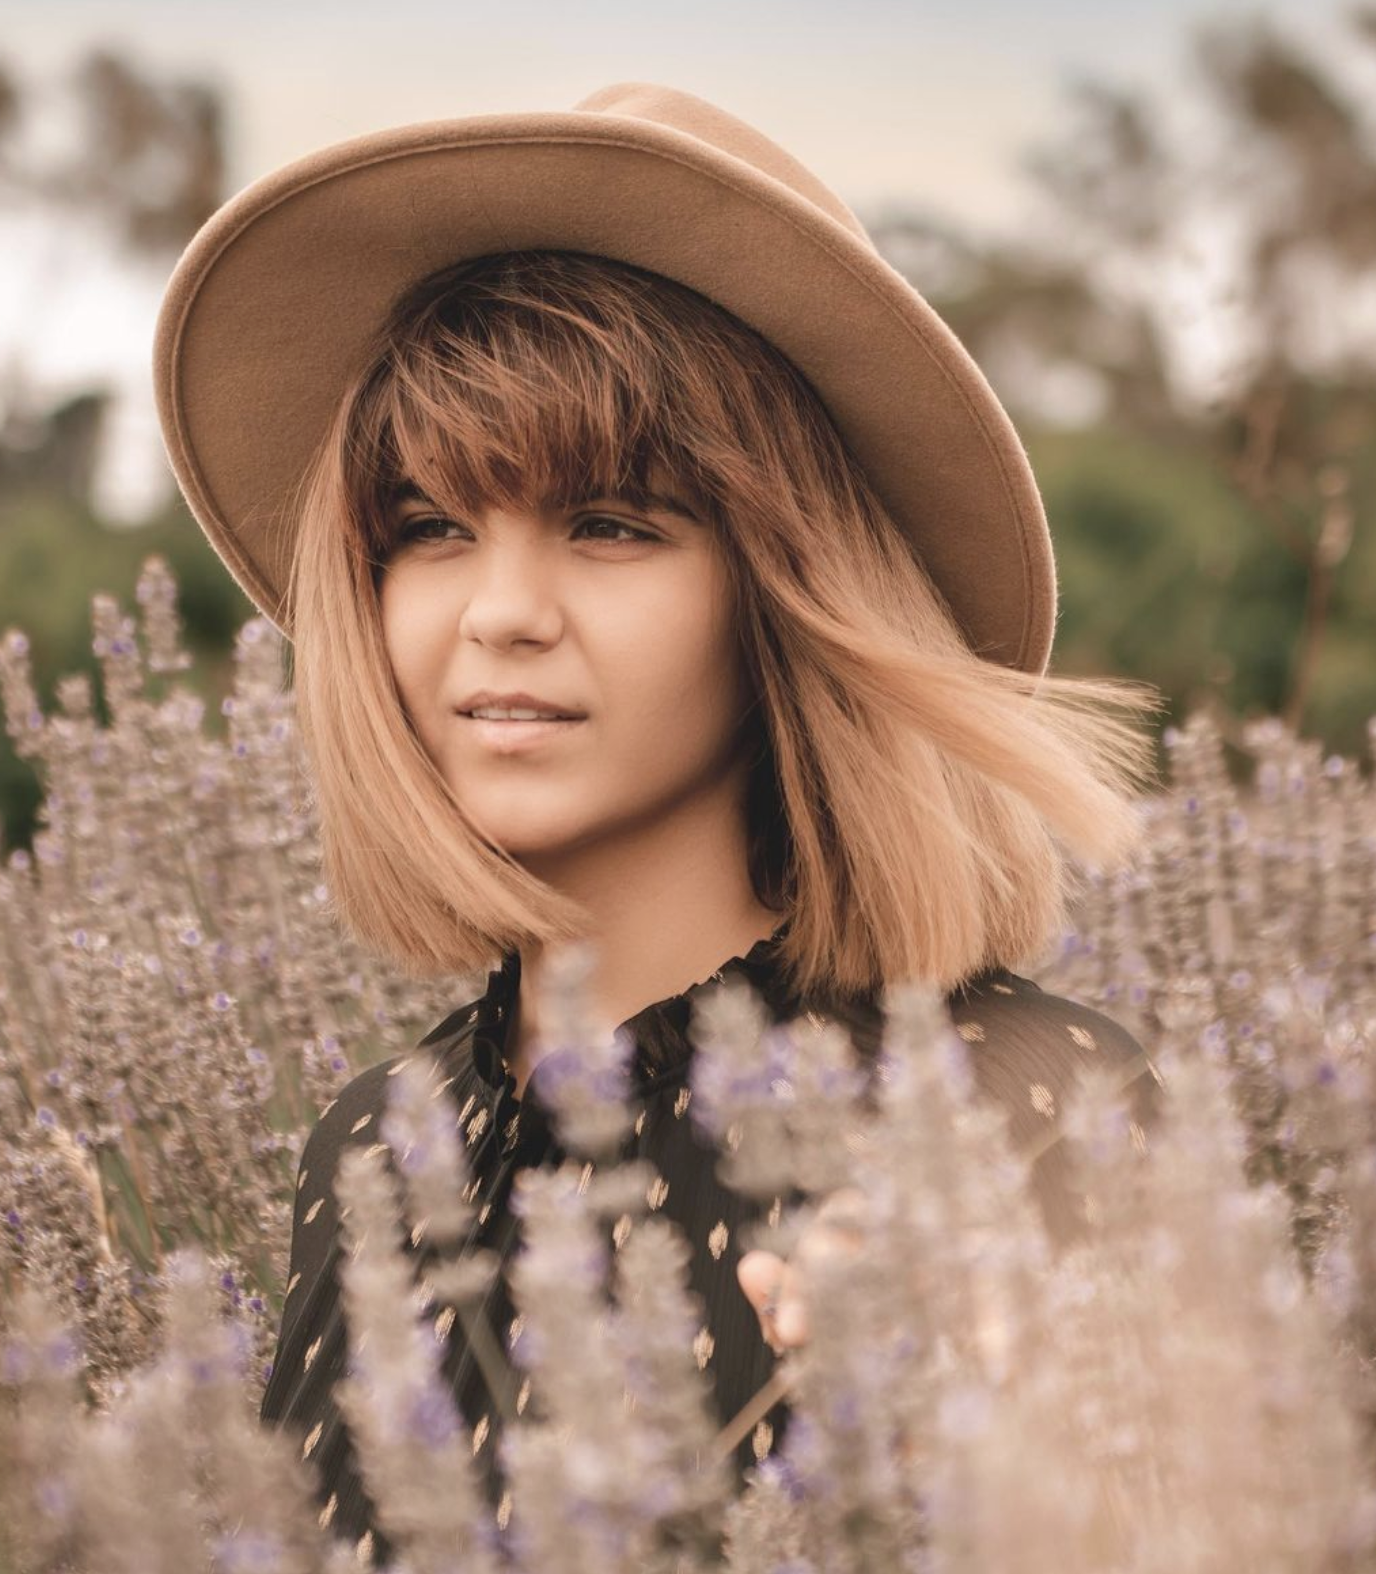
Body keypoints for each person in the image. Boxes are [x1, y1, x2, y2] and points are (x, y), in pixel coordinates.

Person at [152, 82, 1164, 1566]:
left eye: (612, 523)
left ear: (786, 588)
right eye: (428, 527)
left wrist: (1014, 1460)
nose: (500, 613)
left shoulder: (1012, 1103)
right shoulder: (374, 1148)